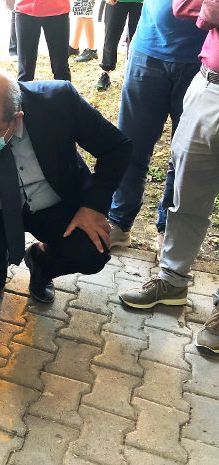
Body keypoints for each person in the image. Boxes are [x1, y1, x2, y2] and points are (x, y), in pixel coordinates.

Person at [0, 69, 132, 343]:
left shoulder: (59, 101)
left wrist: (93, 207)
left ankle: (41, 263)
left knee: (92, 251)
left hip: (56, 202)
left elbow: (117, 148)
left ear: (16, 119)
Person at [120, 0, 218, 354]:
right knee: (179, 182)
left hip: (197, 63)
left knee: (184, 173)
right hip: (188, 68)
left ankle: (167, 236)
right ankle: (168, 276)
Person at [107, 0, 207, 251]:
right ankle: (119, 222)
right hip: (148, 50)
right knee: (131, 144)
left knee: (184, 153)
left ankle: (169, 229)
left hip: (201, 61)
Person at [14, 0, 71, 82]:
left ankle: (65, 94)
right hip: (25, 8)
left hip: (58, 9)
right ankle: (23, 93)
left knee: (61, 68)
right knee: (25, 71)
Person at [96, 0, 143, 91]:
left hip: (140, 2)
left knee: (138, 37)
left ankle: (134, 72)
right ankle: (106, 71)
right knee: (111, 36)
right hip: (116, 2)